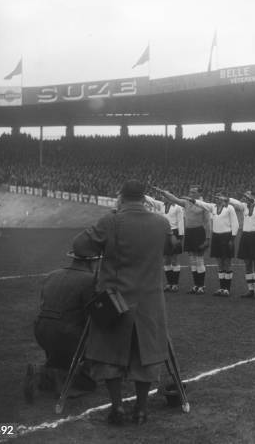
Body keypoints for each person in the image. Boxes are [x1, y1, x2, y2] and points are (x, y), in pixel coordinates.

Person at [72, 180, 174, 425]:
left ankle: (117, 407)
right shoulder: (161, 222)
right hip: (149, 300)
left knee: (110, 353)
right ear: (144, 198)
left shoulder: (111, 220)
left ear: (120, 196)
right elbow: (172, 247)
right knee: (145, 354)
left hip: (115, 300)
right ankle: (141, 409)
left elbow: (79, 246)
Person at [24, 252, 100, 404]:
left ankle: (49, 371)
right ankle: (44, 373)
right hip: (66, 335)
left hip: (41, 331)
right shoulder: (90, 280)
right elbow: (92, 316)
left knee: (61, 354)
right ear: (92, 262)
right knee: (99, 334)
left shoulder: (52, 275)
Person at [155, 185, 210, 294]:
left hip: (199, 232)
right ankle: (196, 285)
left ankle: (201, 286)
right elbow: (174, 198)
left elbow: (208, 222)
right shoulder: (186, 203)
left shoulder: (204, 205)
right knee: (192, 260)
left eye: (193, 192)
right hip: (189, 232)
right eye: (190, 192)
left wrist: (207, 238)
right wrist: (163, 192)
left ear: (199, 194)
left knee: (199, 259)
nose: (190, 194)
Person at [192, 191, 239, 297]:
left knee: (227, 262)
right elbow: (203, 204)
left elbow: (235, 223)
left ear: (224, 198)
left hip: (226, 236)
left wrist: (232, 238)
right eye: (216, 197)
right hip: (216, 237)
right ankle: (222, 288)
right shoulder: (213, 207)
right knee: (219, 262)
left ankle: (227, 289)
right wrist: (194, 201)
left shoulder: (229, 208)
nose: (217, 199)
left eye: (219, 197)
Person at [229, 191, 255, 299]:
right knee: (247, 263)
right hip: (245, 236)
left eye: (248, 195)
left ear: (254, 197)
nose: (246, 197)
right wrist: (228, 198)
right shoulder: (244, 206)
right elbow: (236, 203)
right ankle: (250, 289)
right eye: (245, 195)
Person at [144, 193, 185, 292]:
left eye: (165, 196)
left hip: (174, 233)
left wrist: (180, 237)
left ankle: (175, 284)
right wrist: (141, 194)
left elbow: (180, 222)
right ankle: (169, 283)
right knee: (166, 259)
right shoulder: (161, 205)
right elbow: (151, 201)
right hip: (164, 233)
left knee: (174, 259)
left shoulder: (178, 208)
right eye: (162, 196)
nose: (163, 198)